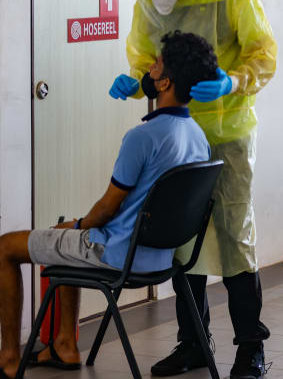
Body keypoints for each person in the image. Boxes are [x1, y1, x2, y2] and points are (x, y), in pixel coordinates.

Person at [0, 31, 215, 378]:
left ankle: (8, 359)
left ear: (164, 83)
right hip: (160, 257)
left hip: (117, 255)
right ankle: (65, 344)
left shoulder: (142, 137)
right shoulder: (198, 137)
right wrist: (76, 227)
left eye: (156, 65)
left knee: (7, 247)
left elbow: (106, 210)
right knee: (67, 237)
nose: (149, 68)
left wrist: (77, 225)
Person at [109, 0, 277, 379]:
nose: (153, 1)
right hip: (179, 135)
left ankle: (251, 349)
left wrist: (234, 82)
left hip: (230, 134)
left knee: (235, 233)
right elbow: (146, 59)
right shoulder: (147, 5)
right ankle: (194, 344)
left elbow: (264, 53)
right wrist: (137, 81)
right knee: (182, 239)